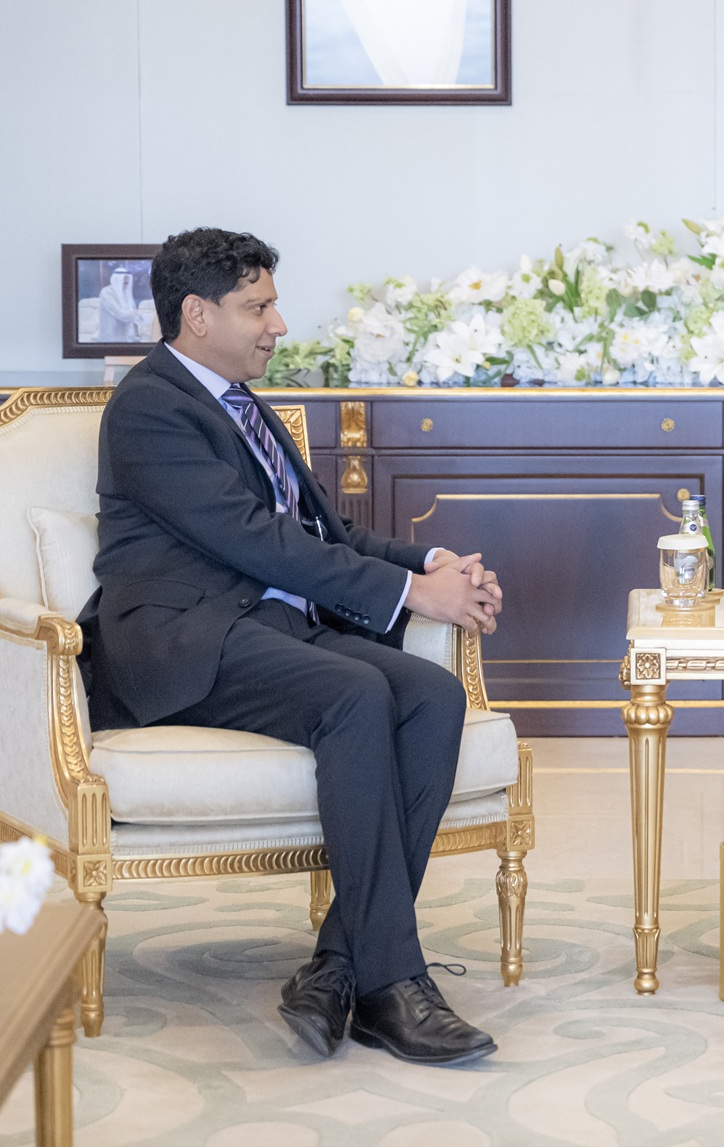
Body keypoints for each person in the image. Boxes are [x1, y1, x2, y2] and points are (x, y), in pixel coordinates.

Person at [79, 228, 506, 1067]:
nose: (277, 325)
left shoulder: (240, 401)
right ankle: (393, 982)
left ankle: (339, 968)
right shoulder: (150, 406)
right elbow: (253, 538)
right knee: (355, 694)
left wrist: (428, 563)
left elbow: (322, 533)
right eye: (258, 307)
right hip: (185, 640)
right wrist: (413, 597)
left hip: (267, 629)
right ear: (197, 314)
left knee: (433, 695)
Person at [96, 266, 146, 342]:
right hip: (110, 339)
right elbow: (120, 314)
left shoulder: (126, 293)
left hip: (125, 338)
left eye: (128, 278)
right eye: (124, 278)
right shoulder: (106, 292)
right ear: (117, 279)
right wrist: (135, 313)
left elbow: (133, 312)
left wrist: (143, 317)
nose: (127, 281)